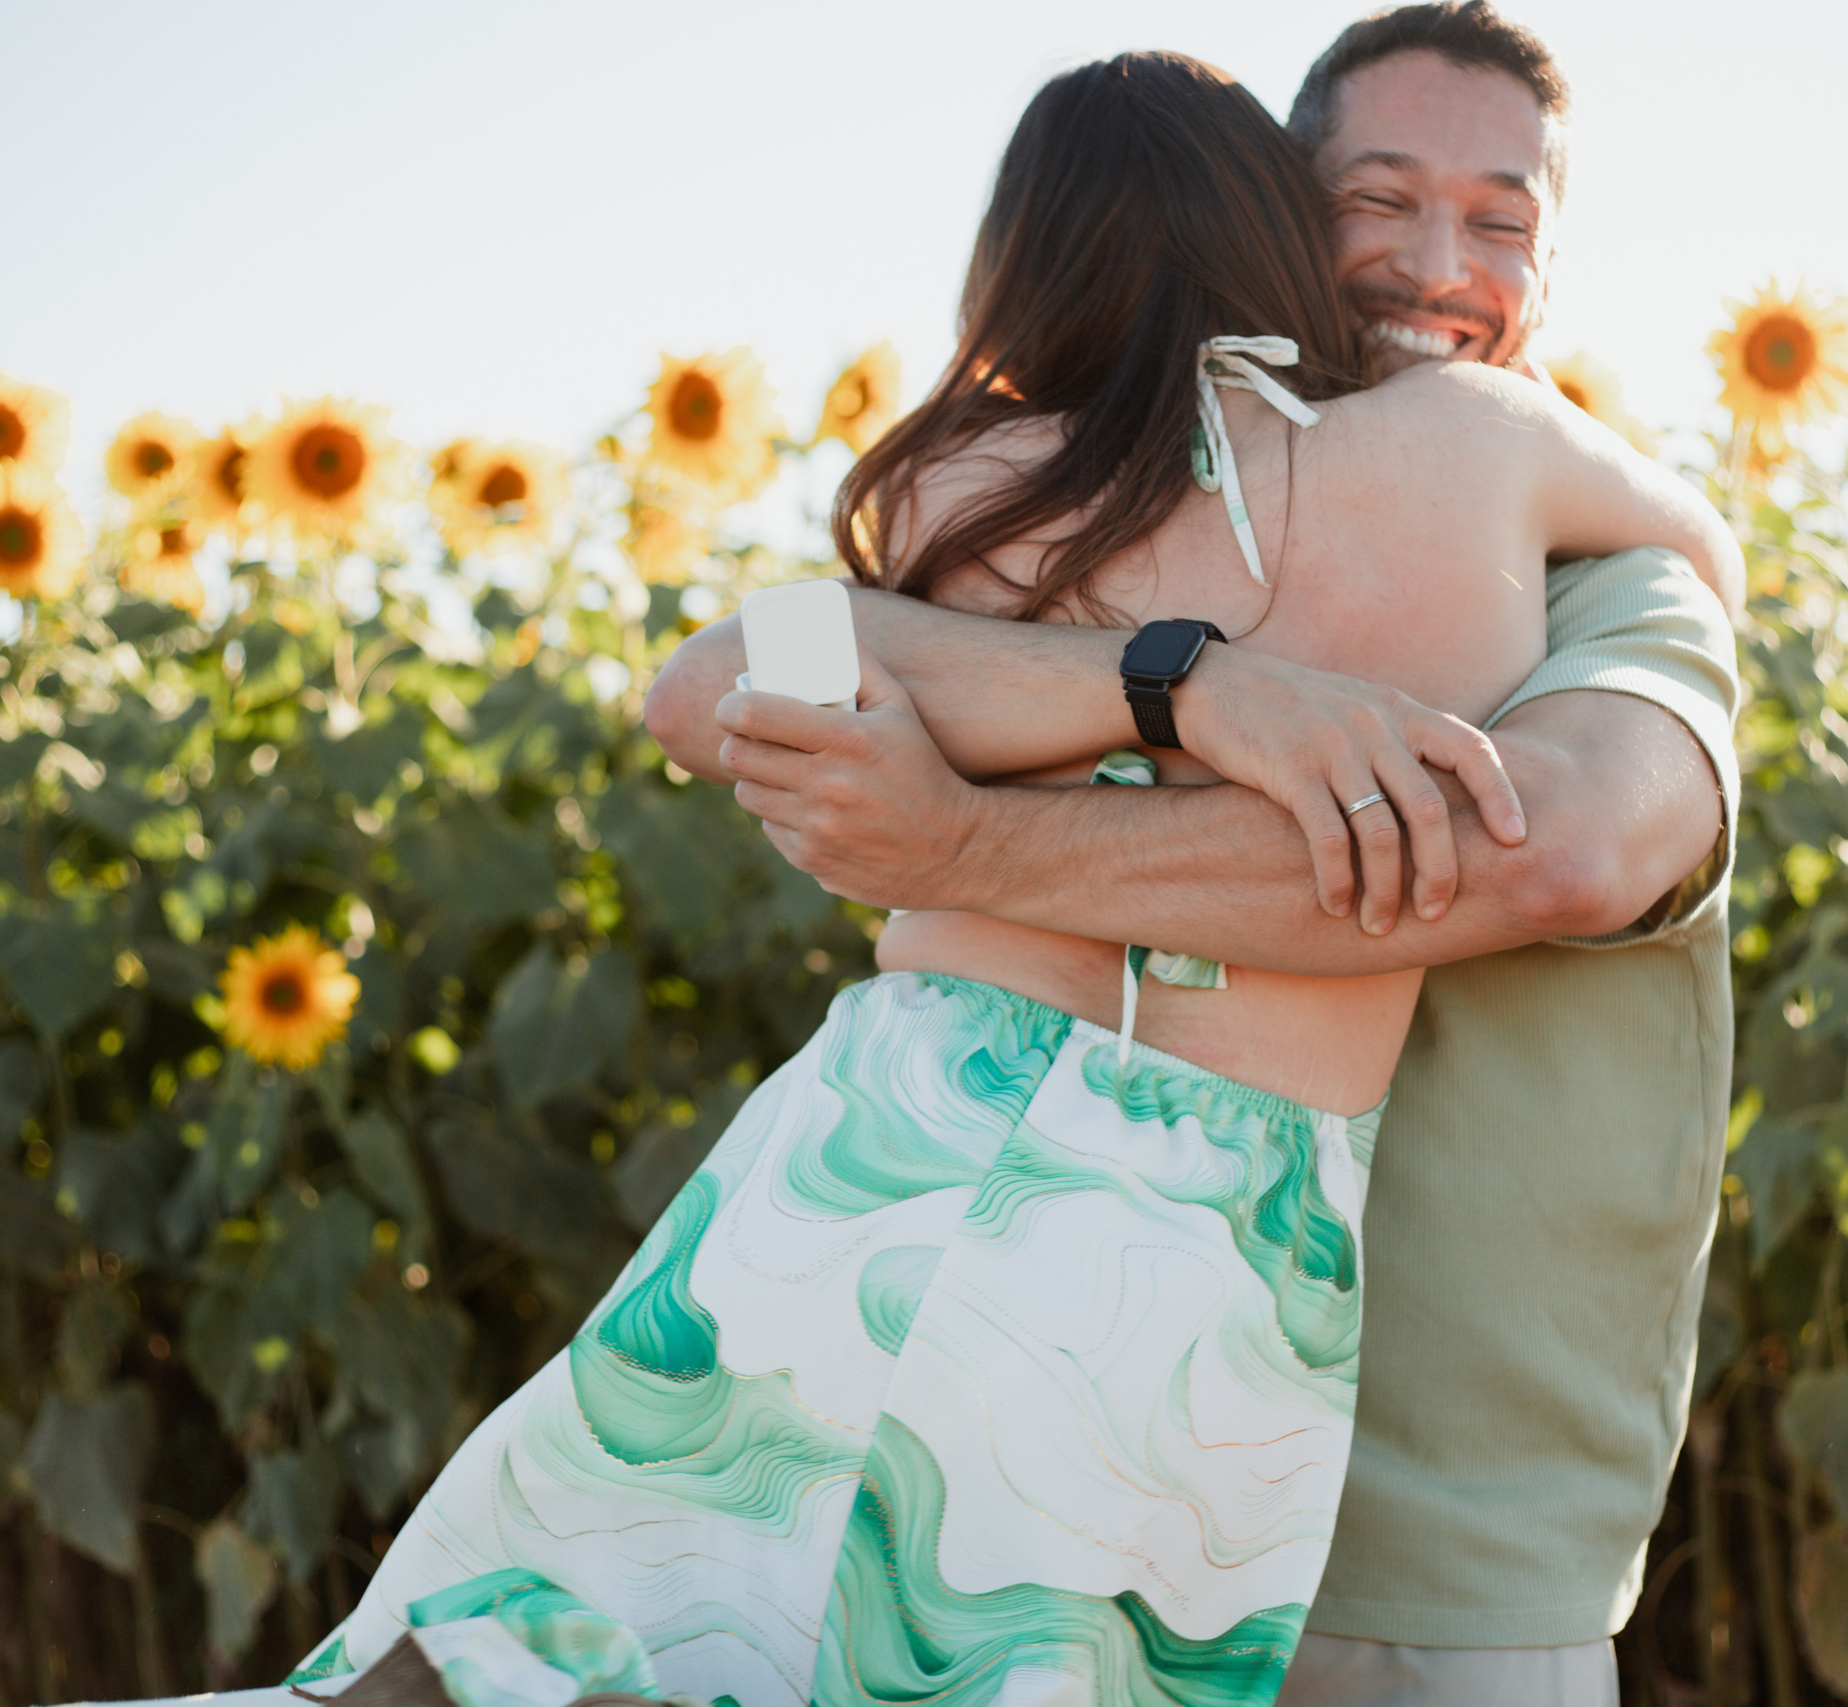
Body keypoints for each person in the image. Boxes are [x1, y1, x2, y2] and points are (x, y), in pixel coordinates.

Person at [300, 38, 1734, 1707]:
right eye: (1379, 202)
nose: (1434, 265)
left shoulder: (951, 495)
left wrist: (977, 823)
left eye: (1498, 221)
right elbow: (1704, 537)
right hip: (1210, 1230)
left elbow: (718, 676)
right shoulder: (1490, 450)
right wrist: (1198, 681)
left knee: (650, 1609)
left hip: (874, 1136)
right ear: (1280, 215)